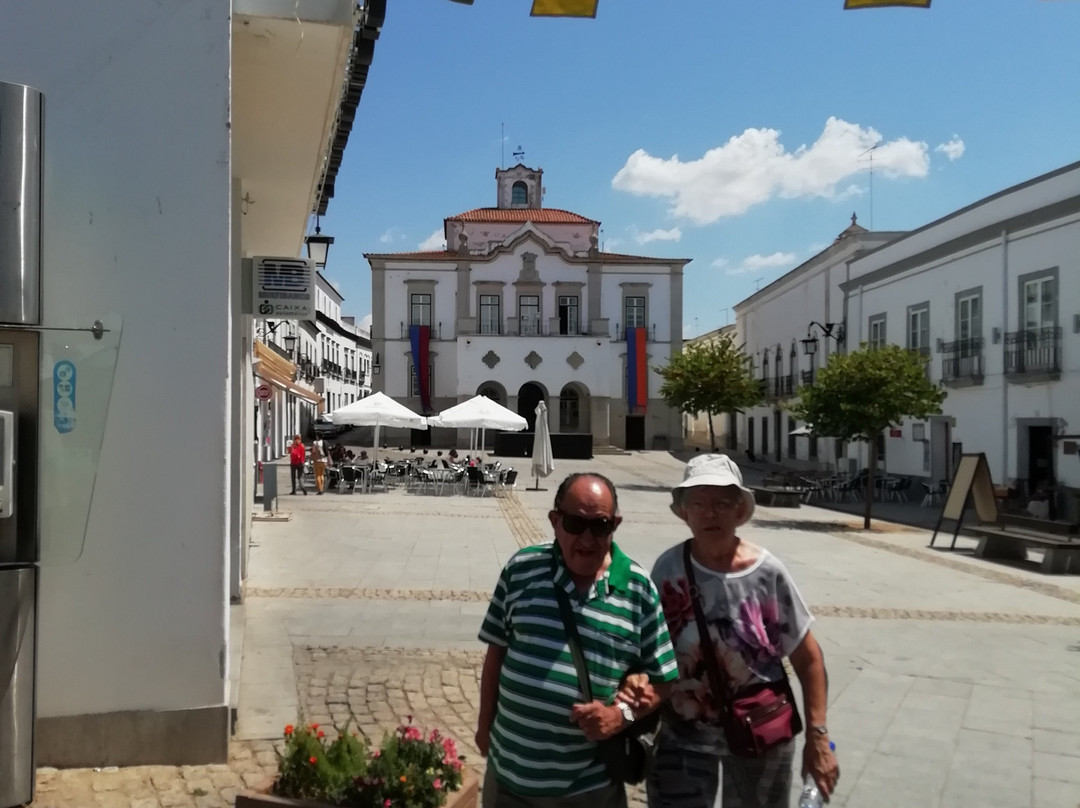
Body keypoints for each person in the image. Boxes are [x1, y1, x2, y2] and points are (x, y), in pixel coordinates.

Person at [476, 472, 680, 808]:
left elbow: (664, 680)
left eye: (599, 526)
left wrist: (621, 716)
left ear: (614, 524)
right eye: (574, 523)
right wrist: (484, 724)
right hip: (508, 774)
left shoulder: (639, 588)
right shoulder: (521, 569)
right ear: (555, 521)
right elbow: (497, 651)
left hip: (588, 787)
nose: (586, 538)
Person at [648, 454, 838, 808]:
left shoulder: (767, 573)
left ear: (739, 511)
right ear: (684, 512)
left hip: (759, 734)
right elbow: (647, 648)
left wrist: (819, 735)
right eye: (699, 503)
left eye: (722, 503)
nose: (710, 513)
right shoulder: (668, 568)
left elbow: (808, 659)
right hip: (684, 737)